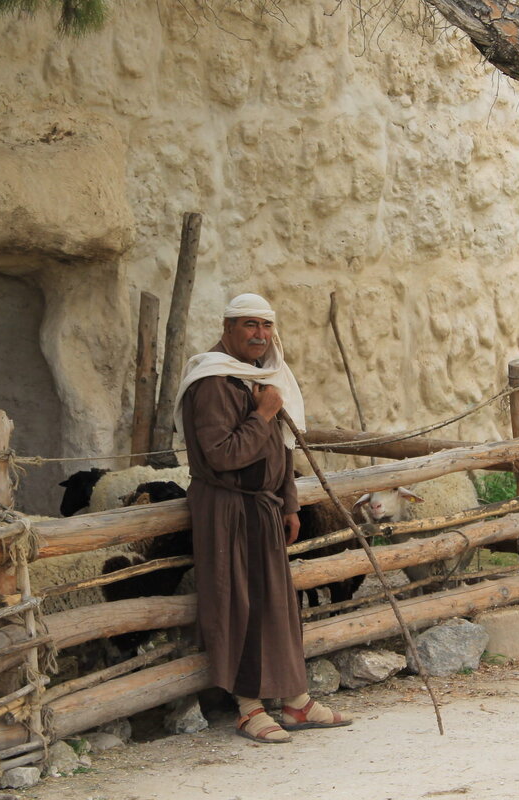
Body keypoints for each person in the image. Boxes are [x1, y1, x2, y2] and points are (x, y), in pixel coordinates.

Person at [174, 292, 351, 744]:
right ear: (228, 328)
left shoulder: (263, 377)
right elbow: (223, 456)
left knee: (277, 605)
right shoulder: (213, 381)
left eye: (267, 326)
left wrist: (289, 502)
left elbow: (281, 448)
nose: (260, 335)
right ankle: (249, 708)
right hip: (227, 509)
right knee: (238, 606)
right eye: (250, 325)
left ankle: (295, 701)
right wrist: (265, 412)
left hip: (264, 508)